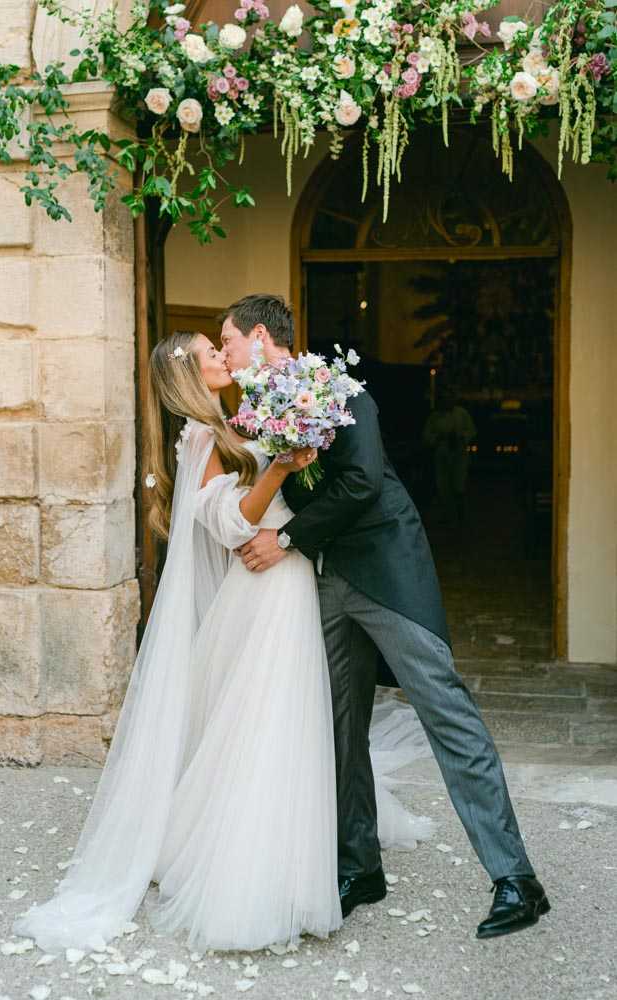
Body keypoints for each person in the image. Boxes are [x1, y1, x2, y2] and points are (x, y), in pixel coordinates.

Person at [12, 329, 434, 956]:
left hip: (285, 574)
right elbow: (233, 522)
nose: (223, 356)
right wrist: (285, 467)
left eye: (222, 345)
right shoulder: (205, 437)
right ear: (191, 372)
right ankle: (258, 872)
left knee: (287, 716)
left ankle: (304, 845)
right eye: (212, 352)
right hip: (267, 580)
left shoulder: (233, 424)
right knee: (272, 717)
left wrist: (295, 457)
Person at [223, 294, 550, 939]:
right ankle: (358, 865)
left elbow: (362, 484)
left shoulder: (338, 390)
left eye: (229, 340)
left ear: (262, 337)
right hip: (327, 579)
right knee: (340, 729)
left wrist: (286, 540)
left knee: (445, 714)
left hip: (389, 572)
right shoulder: (258, 415)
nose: (227, 351)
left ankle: (517, 879)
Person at [422, 388, 477, 525]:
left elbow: (471, 431)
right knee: (443, 487)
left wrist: (461, 438)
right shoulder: (435, 417)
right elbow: (427, 435)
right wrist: (439, 438)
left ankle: (460, 515)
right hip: (442, 455)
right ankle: (447, 516)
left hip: (459, 454)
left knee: (459, 485)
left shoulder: (462, 414)